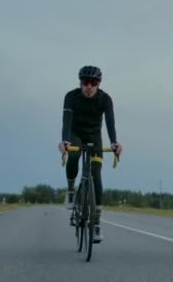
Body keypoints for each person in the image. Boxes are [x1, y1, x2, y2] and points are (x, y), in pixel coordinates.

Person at [58, 65, 123, 242]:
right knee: (73, 155)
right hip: (75, 134)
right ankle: (71, 189)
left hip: (94, 135)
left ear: (98, 84)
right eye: (86, 82)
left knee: (96, 174)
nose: (89, 86)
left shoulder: (105, 99)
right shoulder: (71, 97)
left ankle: (96, 222)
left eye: (93, 83)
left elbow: (110, 122)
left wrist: (114, 143)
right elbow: (66, 121)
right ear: (80, 83)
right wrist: (65, 141)